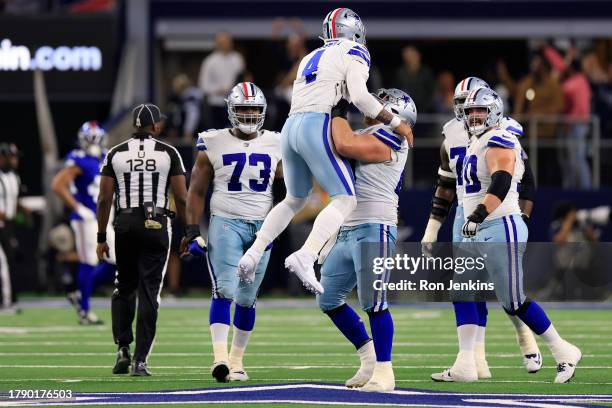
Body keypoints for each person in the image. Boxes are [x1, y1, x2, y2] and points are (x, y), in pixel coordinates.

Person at [236, 8, 413, 294]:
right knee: (345, 199)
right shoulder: (355, 50)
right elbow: (359, 96)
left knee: (293, 199)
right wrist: (396, 122)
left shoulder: (309, 56)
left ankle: (253, 253)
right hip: (316, 123)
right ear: (354, 31)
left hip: (291, 126)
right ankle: (306, 255)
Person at [431, 88, 581, 384]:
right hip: (478, 228)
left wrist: (477, 215)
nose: (474, 115)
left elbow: (501, 180)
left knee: (512, 300)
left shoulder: (501, 137)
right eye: (471, 110)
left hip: (500, 225)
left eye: (480, 111)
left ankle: (563, 349)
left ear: (495, 112)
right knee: (461, 292)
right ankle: (465, 364)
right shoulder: (475, 140)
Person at [422, 78, 542, 380]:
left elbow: (525, 184)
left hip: (497, 212)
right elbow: (445, 185)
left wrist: (521, 223)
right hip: (465, 214)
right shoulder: (450, 133)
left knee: (505, 291)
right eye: (462, 104)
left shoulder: (503, 131)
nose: (467, 111)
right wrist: (432, 227)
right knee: (467, 289)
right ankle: (476, 361)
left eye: (473, 105)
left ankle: (525, 335)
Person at [182, 82, 282, 383]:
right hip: (226, 222)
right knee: (225, 289)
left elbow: (294, 187)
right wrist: (191, 230)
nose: (249, 114)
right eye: (243, 109)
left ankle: (237, 361)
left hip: (263, 227)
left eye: (254, 109)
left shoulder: (278, 142)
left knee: (248, 297)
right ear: (230, 110)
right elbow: (196, 190)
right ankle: (220, 358)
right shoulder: (212, 141)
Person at [317, 88, 416, 392]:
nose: (374, 105)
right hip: (348, 227)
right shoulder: (368, 132)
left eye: (383, 103)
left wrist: (337, 112)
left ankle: (385, 372)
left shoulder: (395, 136)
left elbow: (344, 143)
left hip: (375, 225)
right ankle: (368, 357)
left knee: (374, 303)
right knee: (328, 298)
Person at [97, 103, 187, 376]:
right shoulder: (169, 152)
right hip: (156, 223)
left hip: (124, 223)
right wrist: (188, 231)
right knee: (150, 292)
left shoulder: (115, 153)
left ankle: (123, 348)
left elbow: (104, 199)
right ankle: (140, 360)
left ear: (133, 126)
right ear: (156, 126)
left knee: (124, 287)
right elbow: (182, 196)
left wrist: (101, 236)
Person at [51, 122, 117, 324]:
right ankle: (85, 311)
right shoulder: (77, 159)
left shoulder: (107, 156)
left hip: (106, 218)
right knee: (89, 260)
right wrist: (79, 209)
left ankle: (79, 294)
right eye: (90, 139)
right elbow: (58, 185)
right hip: (86, 219)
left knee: (117, 260)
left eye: (96, 139)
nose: (94, 143)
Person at [198, 32, 245, 129]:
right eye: (222, 42)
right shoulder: (209, 61)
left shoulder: (237, 58)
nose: (225, 45)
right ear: (217, 44)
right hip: (216, 104)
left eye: (227, 42)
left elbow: (242, 78)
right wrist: (219, 90)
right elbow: (203, 84)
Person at [0, 143, 22, 312]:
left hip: (9, 224)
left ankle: (10, 299)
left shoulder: (14, 177)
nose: (14, 160)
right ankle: (7, 301)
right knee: (4, 263)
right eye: (11, 157)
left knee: (9, 262)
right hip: (2, 224)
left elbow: (13, 203)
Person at [394, 46, 435, 113]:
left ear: (418, 56)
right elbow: (396, 91)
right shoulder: (400, 73)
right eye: (406, 56)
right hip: (406, 110)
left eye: (411, 56)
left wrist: (424, 108)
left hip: (425, 111)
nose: (409, 59)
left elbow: (432, 92)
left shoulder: (426, 73)